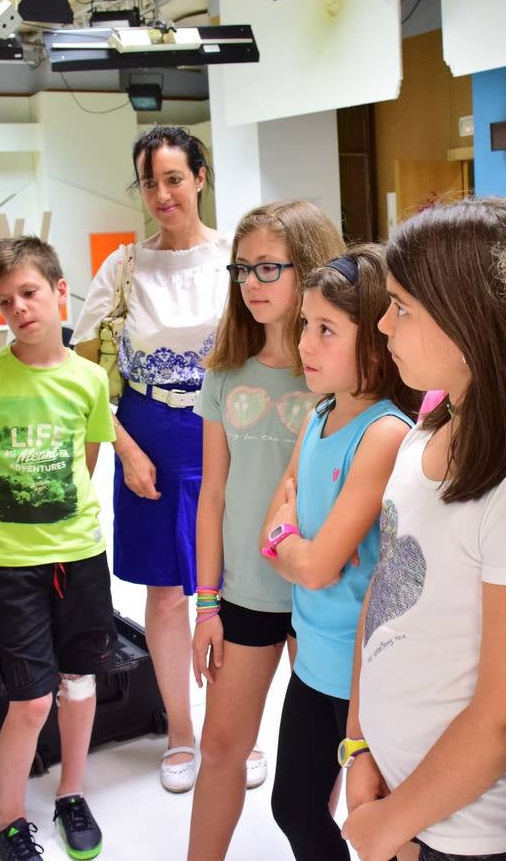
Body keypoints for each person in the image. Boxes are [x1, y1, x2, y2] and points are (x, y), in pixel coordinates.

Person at [342, 198, 506, 861]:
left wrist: (396, 820)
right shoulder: (426, 434)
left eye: (401, 307)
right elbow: (386, 593)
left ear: (468, 325)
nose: (381, 324)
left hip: (468, 832)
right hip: (402, 801)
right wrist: (360, 742)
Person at [70, 126, 231, 792]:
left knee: (231, 590)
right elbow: (79, 377)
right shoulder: (124, 268)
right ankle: (182, 731)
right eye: (150, 182)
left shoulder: (233, 256)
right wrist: (123, 447)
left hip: (222, 430)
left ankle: (229, 727)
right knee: (165, 592)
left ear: (199, 177)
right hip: (148, 435)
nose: (162, 194)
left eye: (174, 178)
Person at [0, 236, 117, 861]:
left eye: (29, 293)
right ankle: (9, 818)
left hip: (81, 558)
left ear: (59, 291)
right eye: (4, 300)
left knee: (79, 684)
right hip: (12, 564)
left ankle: (72, 794)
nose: (19, 308)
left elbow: (88, 461)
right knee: (30, 699)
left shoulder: (89, 379)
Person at [186, 200, 342, 857]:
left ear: (307, 269)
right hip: (245, 597)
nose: (251, 283)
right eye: (242, 269)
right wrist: (206, 602)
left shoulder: (346, 374)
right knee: (221, 749)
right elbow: (213, 494)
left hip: (324, 598)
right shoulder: (225, 370)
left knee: (318, 771)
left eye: (268, 268)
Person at [262, 246, 419, 860]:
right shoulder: (319, 414)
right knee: (293, 807)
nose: (305, 342)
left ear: (375, 343)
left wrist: (291, 541)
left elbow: (317, 563)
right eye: (305, 323)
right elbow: (270, 534)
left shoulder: (383, 432)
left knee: (376, 826)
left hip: (364, 677)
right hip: (312, 660)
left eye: (326, 329)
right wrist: (292, 544)